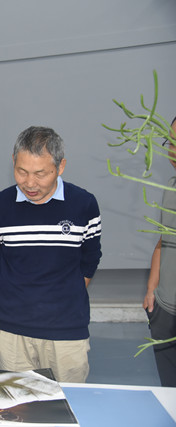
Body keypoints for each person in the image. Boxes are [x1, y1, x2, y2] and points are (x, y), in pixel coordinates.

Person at [0, 126, 102, 382]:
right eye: (21, 171)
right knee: (17, 403)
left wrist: (64, 293)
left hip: (67, 333)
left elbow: (90, 259)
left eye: (40, 174)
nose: (29, 183)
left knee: (67, 402)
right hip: (11, 333)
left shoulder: (84, 204)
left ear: (60, 167)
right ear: (13, 162)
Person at [143, 116, 176, 387]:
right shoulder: (171, 187)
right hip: (165, 307)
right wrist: (152, 289)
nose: (173, 151)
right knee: (169, 388)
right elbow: (162, 241)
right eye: (171, 143)